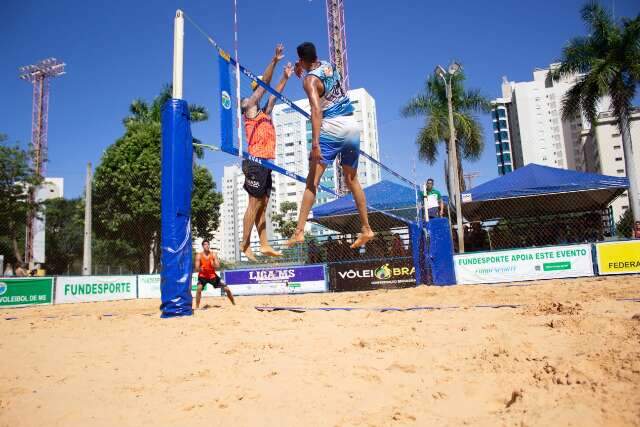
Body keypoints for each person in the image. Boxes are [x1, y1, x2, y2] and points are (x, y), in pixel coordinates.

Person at [287, 42, 374, 249]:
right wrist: (303, 65)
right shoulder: (329, 64)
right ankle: (366, 228)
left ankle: (299, 232)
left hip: (332, 128)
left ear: (301, 58)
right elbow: (318, 71)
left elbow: (316, 111)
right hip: (352, 126)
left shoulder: (309, 81)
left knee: (312, 182)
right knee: (352, 180)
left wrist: (315, 142)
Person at [239, 44, 294, 262]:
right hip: (255, 161)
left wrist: (286, 77)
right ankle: (245, 243)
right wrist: (275, 61)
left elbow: (274, 93)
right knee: (254, 204)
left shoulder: (264, 111)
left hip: (267, 164)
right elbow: (265, 86)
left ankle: (264, 244)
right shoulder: (249, 106)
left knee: (263, 204)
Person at [194, 240, 235, 308]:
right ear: (202, 246)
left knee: (226, 288)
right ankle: (197, 307)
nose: (207, 246)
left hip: (212, 276)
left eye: (208, 244)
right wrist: (200, 269)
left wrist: (213, 265)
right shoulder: (199, 255)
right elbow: (196, 268)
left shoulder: (213, 254)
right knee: (199, 289)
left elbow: (218, 266)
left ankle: (233, 303)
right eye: (205, 244)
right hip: (203, 276)